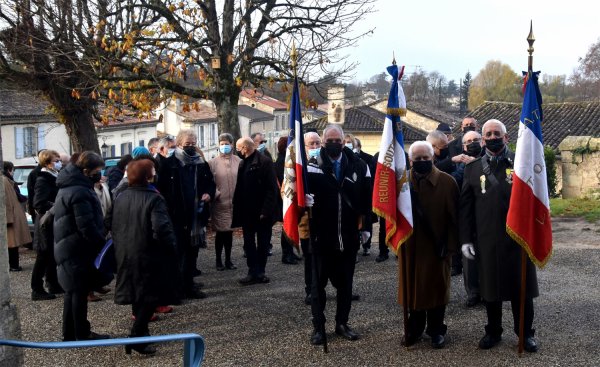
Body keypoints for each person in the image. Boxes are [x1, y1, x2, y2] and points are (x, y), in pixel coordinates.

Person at [459, 119, 539, 353]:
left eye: (498, 134)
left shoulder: (522, 164)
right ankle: (493, 331)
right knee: (490, 289)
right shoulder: (472, 169)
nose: (493, 137)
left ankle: (525, 333)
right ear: (482, 140)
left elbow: (537, 199)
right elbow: (465, 208)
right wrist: (465, 239)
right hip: (487, 238)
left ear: (506, 138)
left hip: (519, 239)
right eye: (488, 134)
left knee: (521, 289)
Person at [306, 124, 371, 345]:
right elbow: (295, 195)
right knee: (318, 287)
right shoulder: (310, 167)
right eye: (329, 140)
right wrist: (302, 201)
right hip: (320, 237)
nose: (334, 143)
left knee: (345, 286)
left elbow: (366, 200)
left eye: (338, 140)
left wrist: (367, 229)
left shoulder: (359, 165)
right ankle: (318, 327)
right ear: (323, 142)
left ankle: (342, 323)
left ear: (344, 142)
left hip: (349, 237)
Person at [111, 159, 178, 355]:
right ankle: (136, 336)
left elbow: (109, 221)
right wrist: (170, 248)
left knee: (137, 292)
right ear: (148, 176)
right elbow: (161, 228)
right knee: (150, 296)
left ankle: (142, 334)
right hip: (148, 253)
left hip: (125, 250)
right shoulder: (153, 198)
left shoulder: (121, 196)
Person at [398, 141, 459, 349]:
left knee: (436, 289)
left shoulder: (448, 182)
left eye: (426, 158)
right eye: (417, 159)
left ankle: (436, 330)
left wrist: (450, 247)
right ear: (410, 160)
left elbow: (455, 219)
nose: (422, 162)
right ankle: (414, 329)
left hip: (437, 247)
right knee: (412, 289)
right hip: (411, 246)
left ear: (433, 158)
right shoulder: (402, 183)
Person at [53, 151, 109, 341]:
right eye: (97, 171)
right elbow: (86, 226)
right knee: (78, 292)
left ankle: (70, 333)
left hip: (68, 246)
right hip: (77, 249)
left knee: (73, 292)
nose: (99, 174)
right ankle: (81, 333)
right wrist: (102, 243)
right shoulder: (80, 191)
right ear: (86, 171)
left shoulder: (69, 186)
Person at [157, 129, 215, 300]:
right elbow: (163, 189)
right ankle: (177, 288)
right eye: (187, 144)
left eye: (193, 144)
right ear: (180, 144)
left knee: (192, 253)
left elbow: (210, 183)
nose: (190, 147)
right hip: (177, 216)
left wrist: (208, 194)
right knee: (179, 253)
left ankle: (189, 285)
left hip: (196, 216)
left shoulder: (201, 163)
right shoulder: (170, 164)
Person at [231, 137, 278, 285]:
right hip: (247, 211)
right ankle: (252, 271)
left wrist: (266, 210)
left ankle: (261, 272)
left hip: (262, 211)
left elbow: (272, 189)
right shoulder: (243, 163)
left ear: (245, 147)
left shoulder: (264, 162)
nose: (237, 151)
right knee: (248, 242)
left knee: (263, 242)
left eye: (238, 148)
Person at [31, 149, 63, 300]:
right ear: (48, 163)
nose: (59, 163)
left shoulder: (53, 177)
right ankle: (36, 289)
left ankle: (53, 283)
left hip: (52, 221)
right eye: (56, 160)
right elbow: (39, 203)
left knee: (50, 255)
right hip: (46, 222)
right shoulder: (43, 179)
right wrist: (57, 205)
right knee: (43, 256)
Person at [456, 130, 483, 307]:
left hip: (487, 215)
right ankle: (473, 292)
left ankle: (489, 291)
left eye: (476, 140)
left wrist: (477, 166)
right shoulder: (461, 164)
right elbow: (454, 179)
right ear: (464, 146)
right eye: (469, 141)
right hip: (468, 215)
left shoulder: (489, 158)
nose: (472, 143)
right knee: (470, 259)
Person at [208, 133, 241, 271]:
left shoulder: (238, 161)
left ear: (232, 145)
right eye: (222, 144)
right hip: (220, 203)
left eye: (227, 143)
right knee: (221, 233)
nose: (224, 146)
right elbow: (209, 182)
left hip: (234, 203)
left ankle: (228, 260)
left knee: (229, 233)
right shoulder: (212, 163)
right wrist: (216, 194)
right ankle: (218, 260)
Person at [299, 131, 321, 304]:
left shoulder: (325, 163)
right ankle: (310, 290)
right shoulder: (298, 166)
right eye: (311, 144)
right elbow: (287, 190)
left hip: (325, 219)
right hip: (306, 221)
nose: (315, 147)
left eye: (317, 143)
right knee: (310, 258)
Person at [274, 136, 299, 265]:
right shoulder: (282, 162)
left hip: (287, 198)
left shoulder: (285, 159)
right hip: (284, 199)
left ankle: (291, 251)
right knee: (286, 227)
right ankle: (286, 254)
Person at [3, 161, 31, 272]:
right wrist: (9, 218)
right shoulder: (5, 181)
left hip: (12, 215)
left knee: (12, 243)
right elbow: (8, 201)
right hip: (11, 216)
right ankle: (13, 265)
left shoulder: (6, 180)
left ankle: (13, 265)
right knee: (12, 243)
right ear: (9, 169)